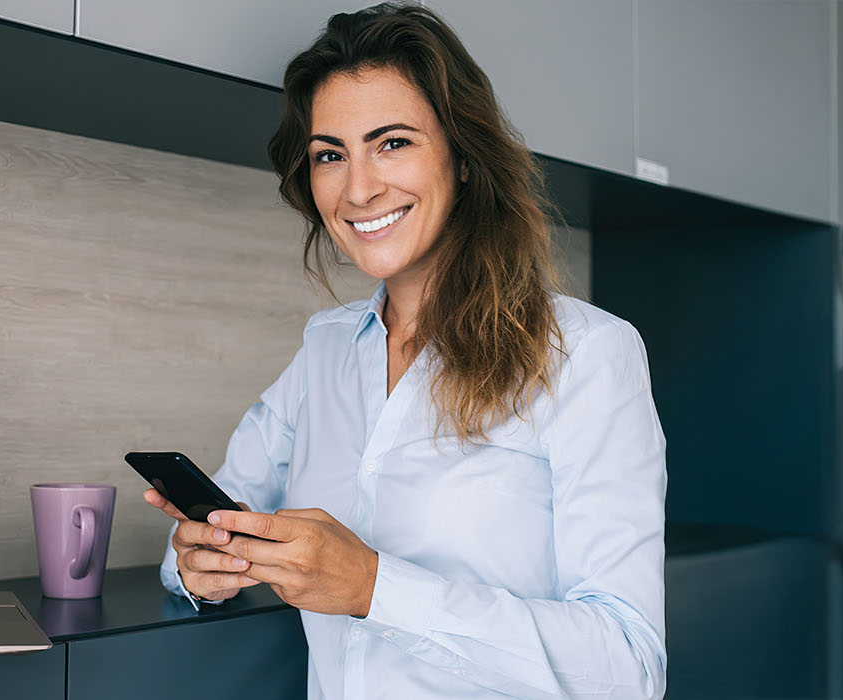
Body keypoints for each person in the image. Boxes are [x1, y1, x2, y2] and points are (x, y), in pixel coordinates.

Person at [142, 3, 667, 699]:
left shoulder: (587, 357)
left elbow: (628, 668)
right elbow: (226, 514)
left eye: (392, 143)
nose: (358, 188)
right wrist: (195, 565)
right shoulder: (324, 351)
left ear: (464, 157)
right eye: (331, 154)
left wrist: (372, 586)